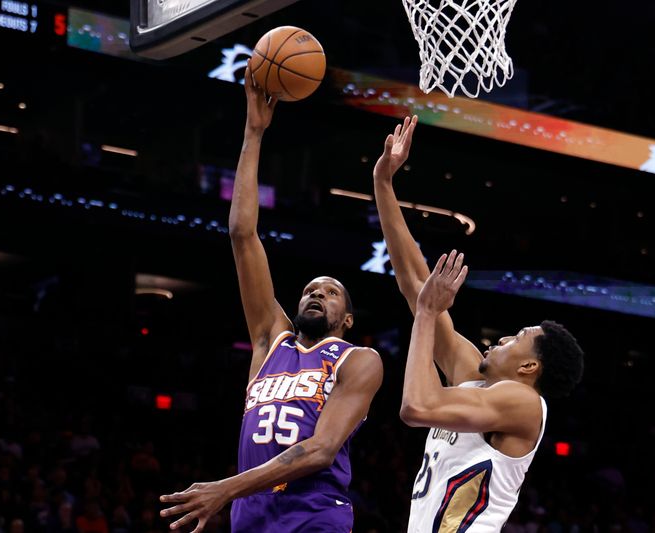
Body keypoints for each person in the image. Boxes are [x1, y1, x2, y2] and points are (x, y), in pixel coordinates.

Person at [159, 68, 384, 533]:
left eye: (331, 292)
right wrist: (254, 131)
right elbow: (243, 235)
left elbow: (321, 450)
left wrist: (227, 487)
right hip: (250, 515)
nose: (317, 293)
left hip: (313, 514)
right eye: (310, 289)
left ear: (347, 319)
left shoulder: (358, 360)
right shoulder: (269, 343)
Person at [372, 116, 584, 530]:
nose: (503, 338)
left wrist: (430, 315)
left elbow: (417, 407)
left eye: (518, 337)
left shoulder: (523, 403)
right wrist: (383, 184)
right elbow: (415, 284)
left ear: (529, 367)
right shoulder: (475, 382)